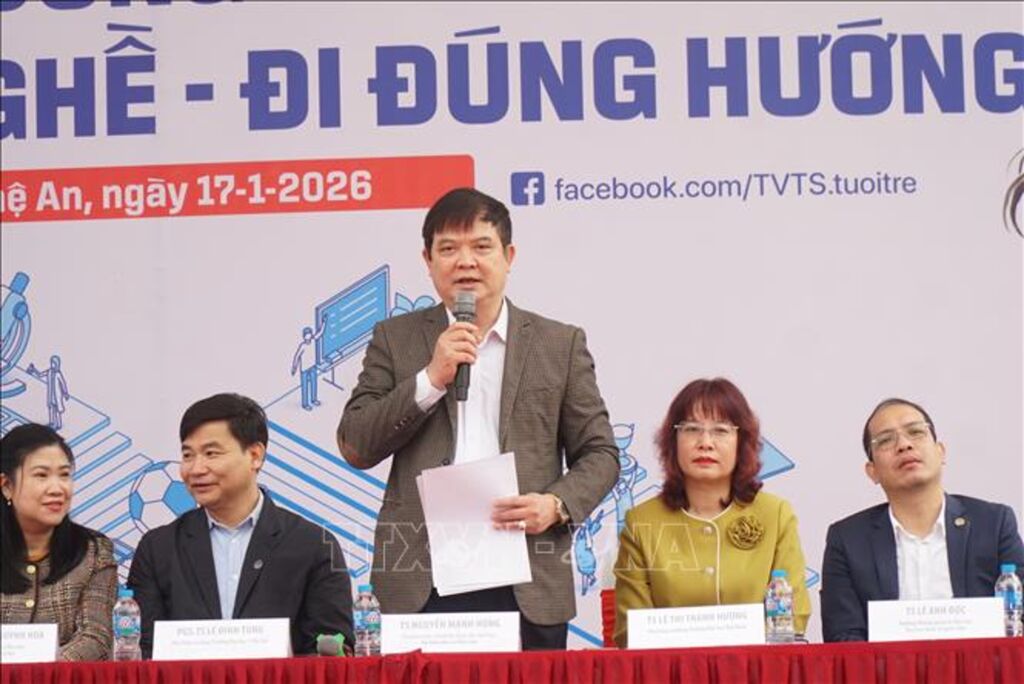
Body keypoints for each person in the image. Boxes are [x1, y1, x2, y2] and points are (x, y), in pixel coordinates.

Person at [337, 187, 619, 650]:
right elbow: (355, 444)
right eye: (448, 248)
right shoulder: (395, 338)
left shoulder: (558, 344)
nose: (465, 261)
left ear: (509, 256)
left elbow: (601, 454)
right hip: (421, 576)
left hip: (526, 573)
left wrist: (556, 504)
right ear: (428, 260)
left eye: (481, 246)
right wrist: (430, 379)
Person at [128, 393, 353, 657]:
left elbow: (331, 652)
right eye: (188, 455)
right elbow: (142, 651)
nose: (196, 468)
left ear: (255, 455)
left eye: (211, 453)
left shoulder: (313, 545)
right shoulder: (158, 549)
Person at [613, 378, 811, 648]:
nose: (705, 442)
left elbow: (792, 617)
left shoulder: (775, 515)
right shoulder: (642, 521)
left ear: (742, 442)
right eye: (692, 429)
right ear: (672, 441)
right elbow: (631, 630)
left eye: (720, 430)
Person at [821, 397, 1024, 642]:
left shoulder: (993, 524)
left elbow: (1018, 621)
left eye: (916, 432)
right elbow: (844, 638)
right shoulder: (847, 540)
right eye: (885, 440)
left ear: (940, 452)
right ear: (872, 471)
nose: (904, 445)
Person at [1, 423, 117, 661]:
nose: (57, 489)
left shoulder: (94, 552)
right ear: (7, 486)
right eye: (41, 475)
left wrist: (41, 674)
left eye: (64, 475)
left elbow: (96, 638)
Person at [290, 315, 326, 411]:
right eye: (306, 334)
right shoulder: (302, 346)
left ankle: (314, 400)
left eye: (309, 334)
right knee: (305, 387)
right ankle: (305, 404)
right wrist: (294, 368)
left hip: (313, 367)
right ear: (304, 336)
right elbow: (296, 357)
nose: (308, 336)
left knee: (314, 384)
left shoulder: (313, 340)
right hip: (304, 370)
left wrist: (323, 322)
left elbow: (320, 333)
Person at [27, 355, 70, 430]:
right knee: (51, 408)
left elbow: (63, 384)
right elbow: (40, 375)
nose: (52, 365)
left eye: (54, 363)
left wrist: (65, 393)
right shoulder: (49, 371)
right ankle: (52, 422)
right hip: (50, 394)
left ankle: (58, 424)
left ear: (57, 364)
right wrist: (34, 370)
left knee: (57, 410)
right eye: (52, 363)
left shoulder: (58, 374)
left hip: (57, 395)